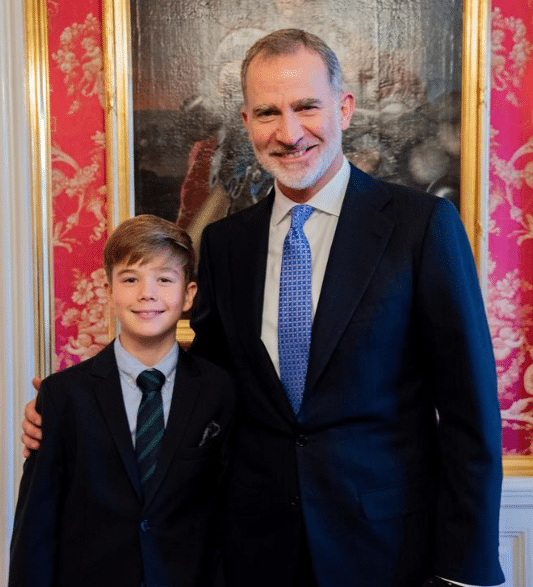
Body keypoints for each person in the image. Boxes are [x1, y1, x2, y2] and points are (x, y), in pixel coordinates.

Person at [22, 29, 504, 587]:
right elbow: (203, 382)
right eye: (269, 113)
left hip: (385, 549)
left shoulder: (421, 227)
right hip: (253, 549)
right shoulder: (227, 244)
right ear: (246, 122)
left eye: (306, 107)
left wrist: (466, 572)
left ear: (344, 109)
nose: (289, 133)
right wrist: (78, 404)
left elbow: (469, 408)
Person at [12, 215, 235, 587]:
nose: (147, 293)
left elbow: (229, 514)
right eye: (130, 279)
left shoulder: (218, 391)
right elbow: (35, 528)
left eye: (164, 279)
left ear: (188, 295)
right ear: (108, 290)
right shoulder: (62, 395)